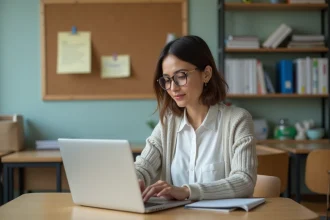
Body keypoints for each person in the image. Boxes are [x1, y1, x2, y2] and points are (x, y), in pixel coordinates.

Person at [134, 35, 257, 202]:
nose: (173, 88)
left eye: (181, 76)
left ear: (206, 74)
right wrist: (131, 180)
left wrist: (186, 191)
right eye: (167, 80)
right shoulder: (168, 123)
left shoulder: (237, 120)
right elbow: (143, 167)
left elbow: (244, 181)